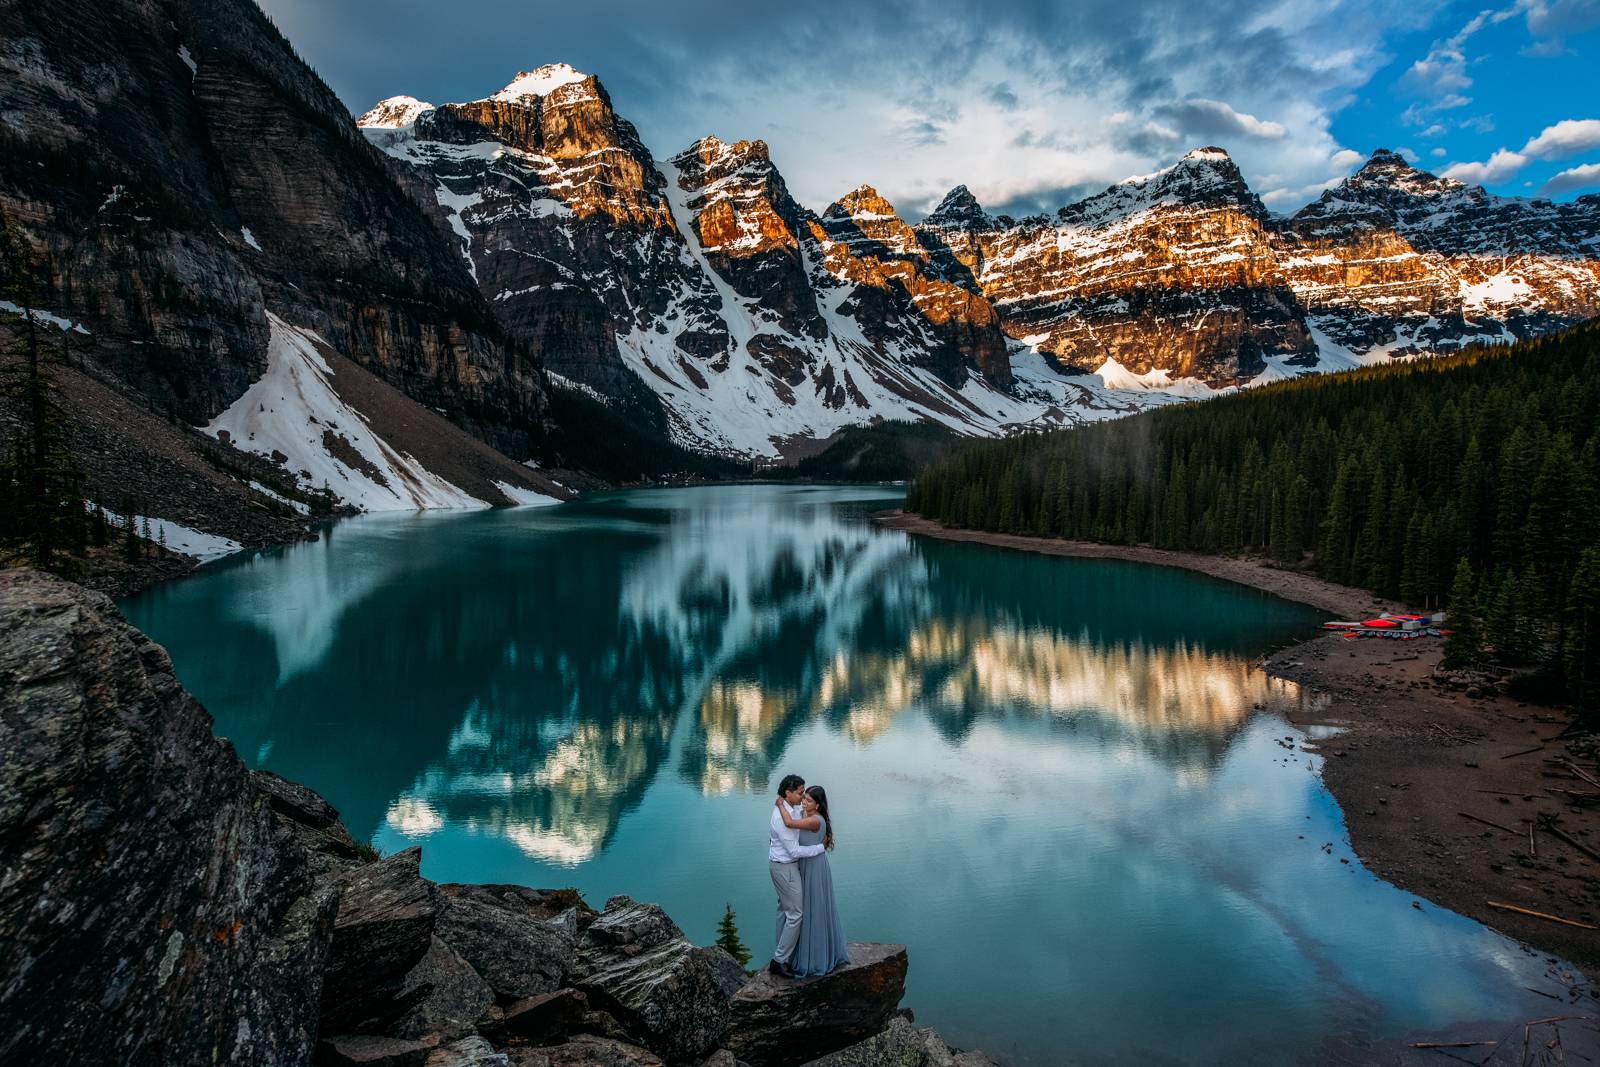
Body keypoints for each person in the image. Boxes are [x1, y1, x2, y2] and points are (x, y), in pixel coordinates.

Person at [774, 785, 850, 977]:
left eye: (808, 800)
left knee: (813, 908)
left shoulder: (815, 821)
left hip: (814, 867)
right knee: (801, 909)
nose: (804, 802)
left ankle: (814, 959)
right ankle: (793, 954)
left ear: (817, 805)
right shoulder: (805, 813)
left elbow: (789, 823)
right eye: (804, 797)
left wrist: (779, 804)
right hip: (805, 864)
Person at [768, 773, 826, 977]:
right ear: (788, 792)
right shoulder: (780, 816)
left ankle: (783, 954)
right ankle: (780, 959)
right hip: (785, 867)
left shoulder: (788, 808)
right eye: (801, 793)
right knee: (795, 914)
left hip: (783, 866)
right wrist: (820, 848)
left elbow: (801, 817)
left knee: (784, 910)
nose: (803, 798)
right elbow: (794, 851)